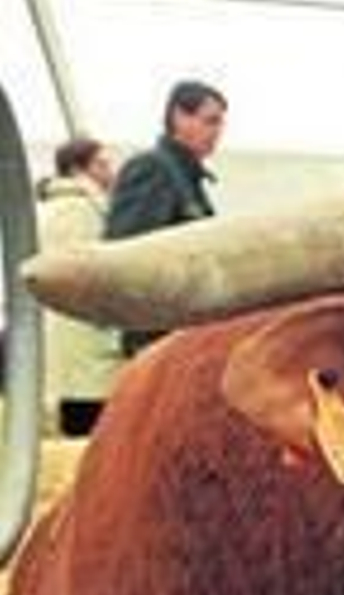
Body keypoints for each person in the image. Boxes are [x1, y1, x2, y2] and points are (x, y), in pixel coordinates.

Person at [106, 79, 227, 355]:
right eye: (210, 121)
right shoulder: (153, 169)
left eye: (220, 124)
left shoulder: (187, 178)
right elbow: (127, 254)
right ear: (179, 117)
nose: (217, 132)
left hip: (181, 334)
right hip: (156, 337)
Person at [35, 138, 121, 435]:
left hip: (63, 343)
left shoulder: (46, 209)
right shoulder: (84, 211)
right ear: (76, 169)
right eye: (102, 164)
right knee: (90, 429)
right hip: (89, 341)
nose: (111, 172)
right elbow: (93, 273)